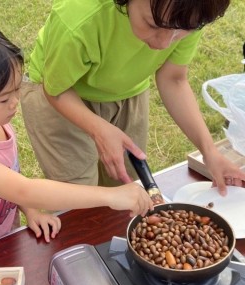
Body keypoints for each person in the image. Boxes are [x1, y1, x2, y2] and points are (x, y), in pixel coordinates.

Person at [0, 18, 154, 264]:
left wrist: (30, 211)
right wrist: (110, 196)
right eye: (4, 99)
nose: (15, 102)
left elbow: (11, 182)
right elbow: (24, 189)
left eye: (16, 90)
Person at [20, 0, 245, 194]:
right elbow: (55, 89)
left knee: (126, 183)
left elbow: (173, 79)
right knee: (79, 196)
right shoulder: (80, 16)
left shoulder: (186, 13)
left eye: (179, 31)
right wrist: (98, 129)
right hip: (60, 94)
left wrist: (209, 151)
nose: (162, 43)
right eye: (152, 24)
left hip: (127, 90)